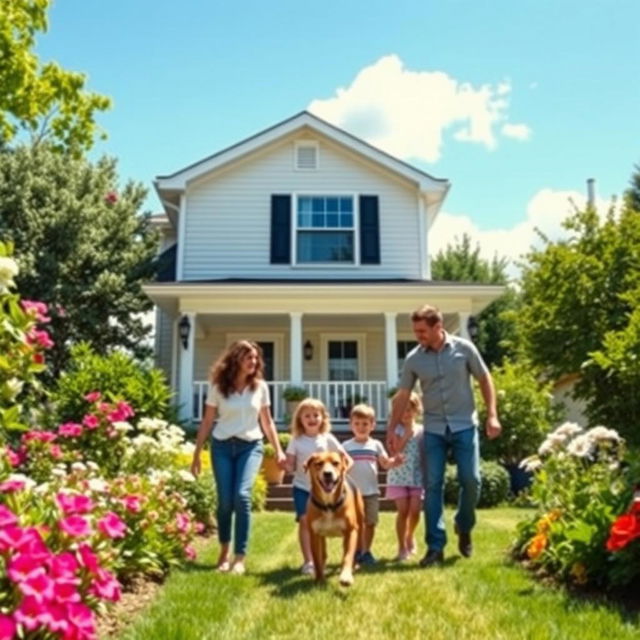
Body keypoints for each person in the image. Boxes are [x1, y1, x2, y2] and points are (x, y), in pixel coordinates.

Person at [386, 305, 501, 567]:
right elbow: (403, 395)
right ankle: (435, 547)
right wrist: (392, 428)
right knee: (433, 485)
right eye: (415, 331)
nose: (418, 336)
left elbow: (485, 379)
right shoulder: (414, 358)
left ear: (439, 327)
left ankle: (464, 524)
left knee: (471, 479)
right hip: (434, 428)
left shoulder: (464, 348)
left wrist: (492, 414)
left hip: (464, 424)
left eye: (422, 331)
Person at [190, 340, 285, 575]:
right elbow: (207, 421)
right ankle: (224, 551)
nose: (253, 362)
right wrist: (196, 454)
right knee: (224, 501)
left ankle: (239, 558)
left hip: (250, 446)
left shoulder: (260, 387)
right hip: (222, 446)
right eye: (247, 357)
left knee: (241, 496)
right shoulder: (218, 387)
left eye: (255, 358)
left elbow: (267, 421)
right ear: (235, 359)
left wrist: (279, 449)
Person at [284, 398, 350, 575]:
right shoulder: (296, 440)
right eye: (307, 416)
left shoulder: (327, 438)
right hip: (302, 488)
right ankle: (309, 561)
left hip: (324, 491)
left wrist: (344, 473)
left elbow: (343, 458)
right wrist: (285, 465)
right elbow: (290, 464)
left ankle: (340, 556)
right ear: (300, 419)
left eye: (316, 415)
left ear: (323, 418)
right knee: (305, 522)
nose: (312, 419)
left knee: (322, 525)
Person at [342, 403, 402, 565]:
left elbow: (384, 463)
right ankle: (355, 551)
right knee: (354, 524)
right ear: (351, 425)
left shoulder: (375, 445)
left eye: (365, 424)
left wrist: (394, 462)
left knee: (370, 522)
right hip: (351, 494)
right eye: (357, 424)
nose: (361, 428)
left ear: (372, 425)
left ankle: (366, 551)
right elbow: (340, 469)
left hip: (371, 492)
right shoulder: (345, 447)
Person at [385, 391, 424, 561]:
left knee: (415, 511)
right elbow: (395, 451)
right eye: (402, 410)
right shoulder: (395, 430)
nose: (406, 414)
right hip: (399, 476)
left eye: (410, 410)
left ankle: (410, 535)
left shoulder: (422, 430)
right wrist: (407, 434)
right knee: (403, 511)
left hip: (417, 476)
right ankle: (401, 547)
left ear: (416, 410)